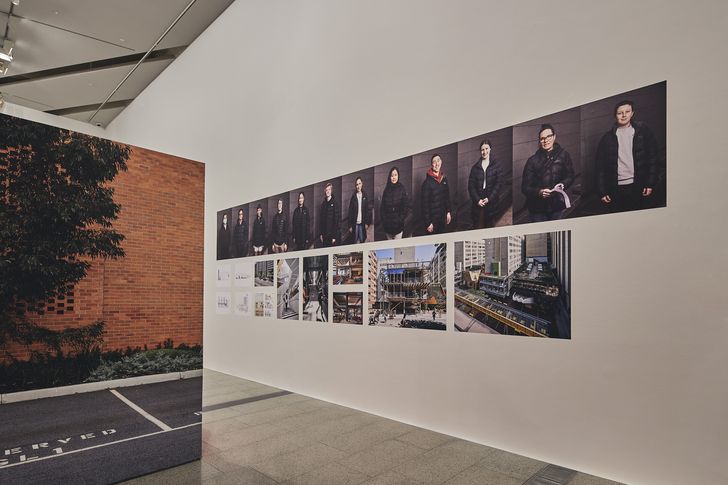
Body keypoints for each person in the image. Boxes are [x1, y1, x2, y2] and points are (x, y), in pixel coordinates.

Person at [596, 100, 659, 213]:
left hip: (638, 185)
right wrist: (602, 191)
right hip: (616, 187)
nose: (624, 115)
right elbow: (600, 167)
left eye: (627, 111)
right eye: (620, 113)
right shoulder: (607, 138)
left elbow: (653, 158)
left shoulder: (642, 131)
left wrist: (650, 183)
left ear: (632, 113)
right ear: (615, 115)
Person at [521, 124, 575, 222]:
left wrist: (563, 184)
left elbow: (570, 175)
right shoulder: (532, 161)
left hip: (557, 205)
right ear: (539, 141)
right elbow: (525, 187)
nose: (546, 140)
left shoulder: (564, 155)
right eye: (542, 138)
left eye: (548, 136)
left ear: (554, 137)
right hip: (537, 209)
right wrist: (539, 192)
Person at [467, 139, 501, 229]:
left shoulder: (496, 165)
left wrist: (490, 198)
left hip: (491, 199)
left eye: (486, 148)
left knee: (490, 225)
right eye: (482, 149)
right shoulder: (475, 167)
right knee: (478, 226)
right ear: (480, 151)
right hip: (479, 199)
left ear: (490, 149)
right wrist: (477, 200)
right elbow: (471, 186)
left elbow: (499, 183)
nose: (484, 151)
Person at [421, 154, 452, 234]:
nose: (436, 164)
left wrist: (448, 212)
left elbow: (447, 197)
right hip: (432, 222)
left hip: (442, 218)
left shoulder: (444, 178)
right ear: (431, 165)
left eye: (438, 161)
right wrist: (428, 223)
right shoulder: (427, 183)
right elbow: (424, 205)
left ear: (441, 162)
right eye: (434, 162)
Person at [380, 166, 410, 239]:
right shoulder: (386, 190)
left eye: (395, 175)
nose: (394, 177)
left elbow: (405, 207)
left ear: (398, 176)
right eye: (392, 175)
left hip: (398, 226)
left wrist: (400, 220)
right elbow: (382, 208)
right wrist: (385, 221)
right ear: (389, 177)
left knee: (397, 247)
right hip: (388, 226)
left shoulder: (402, 188)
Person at [347, 177, 372, 244]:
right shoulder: (353, 197)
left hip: (362, 223)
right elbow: (350, 212)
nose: (358, 186)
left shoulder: (365, 196)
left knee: (362, 239)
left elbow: (368, 210)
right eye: (357, 184)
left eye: (359, 183)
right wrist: (350, 226)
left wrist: (367, 223)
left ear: (362, 184)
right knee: (354, 240)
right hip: (355, 223)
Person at [318, 182, 340, 247]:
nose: (327, 191)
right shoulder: (323, 204)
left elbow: (336, 220)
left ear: (331, 191)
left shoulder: (335, 203)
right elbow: (321, 220)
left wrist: (334, 236)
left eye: (329, 189)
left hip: (331, 235)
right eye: (326, 190)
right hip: (324, 235)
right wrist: (321, 234)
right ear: (325, 191)